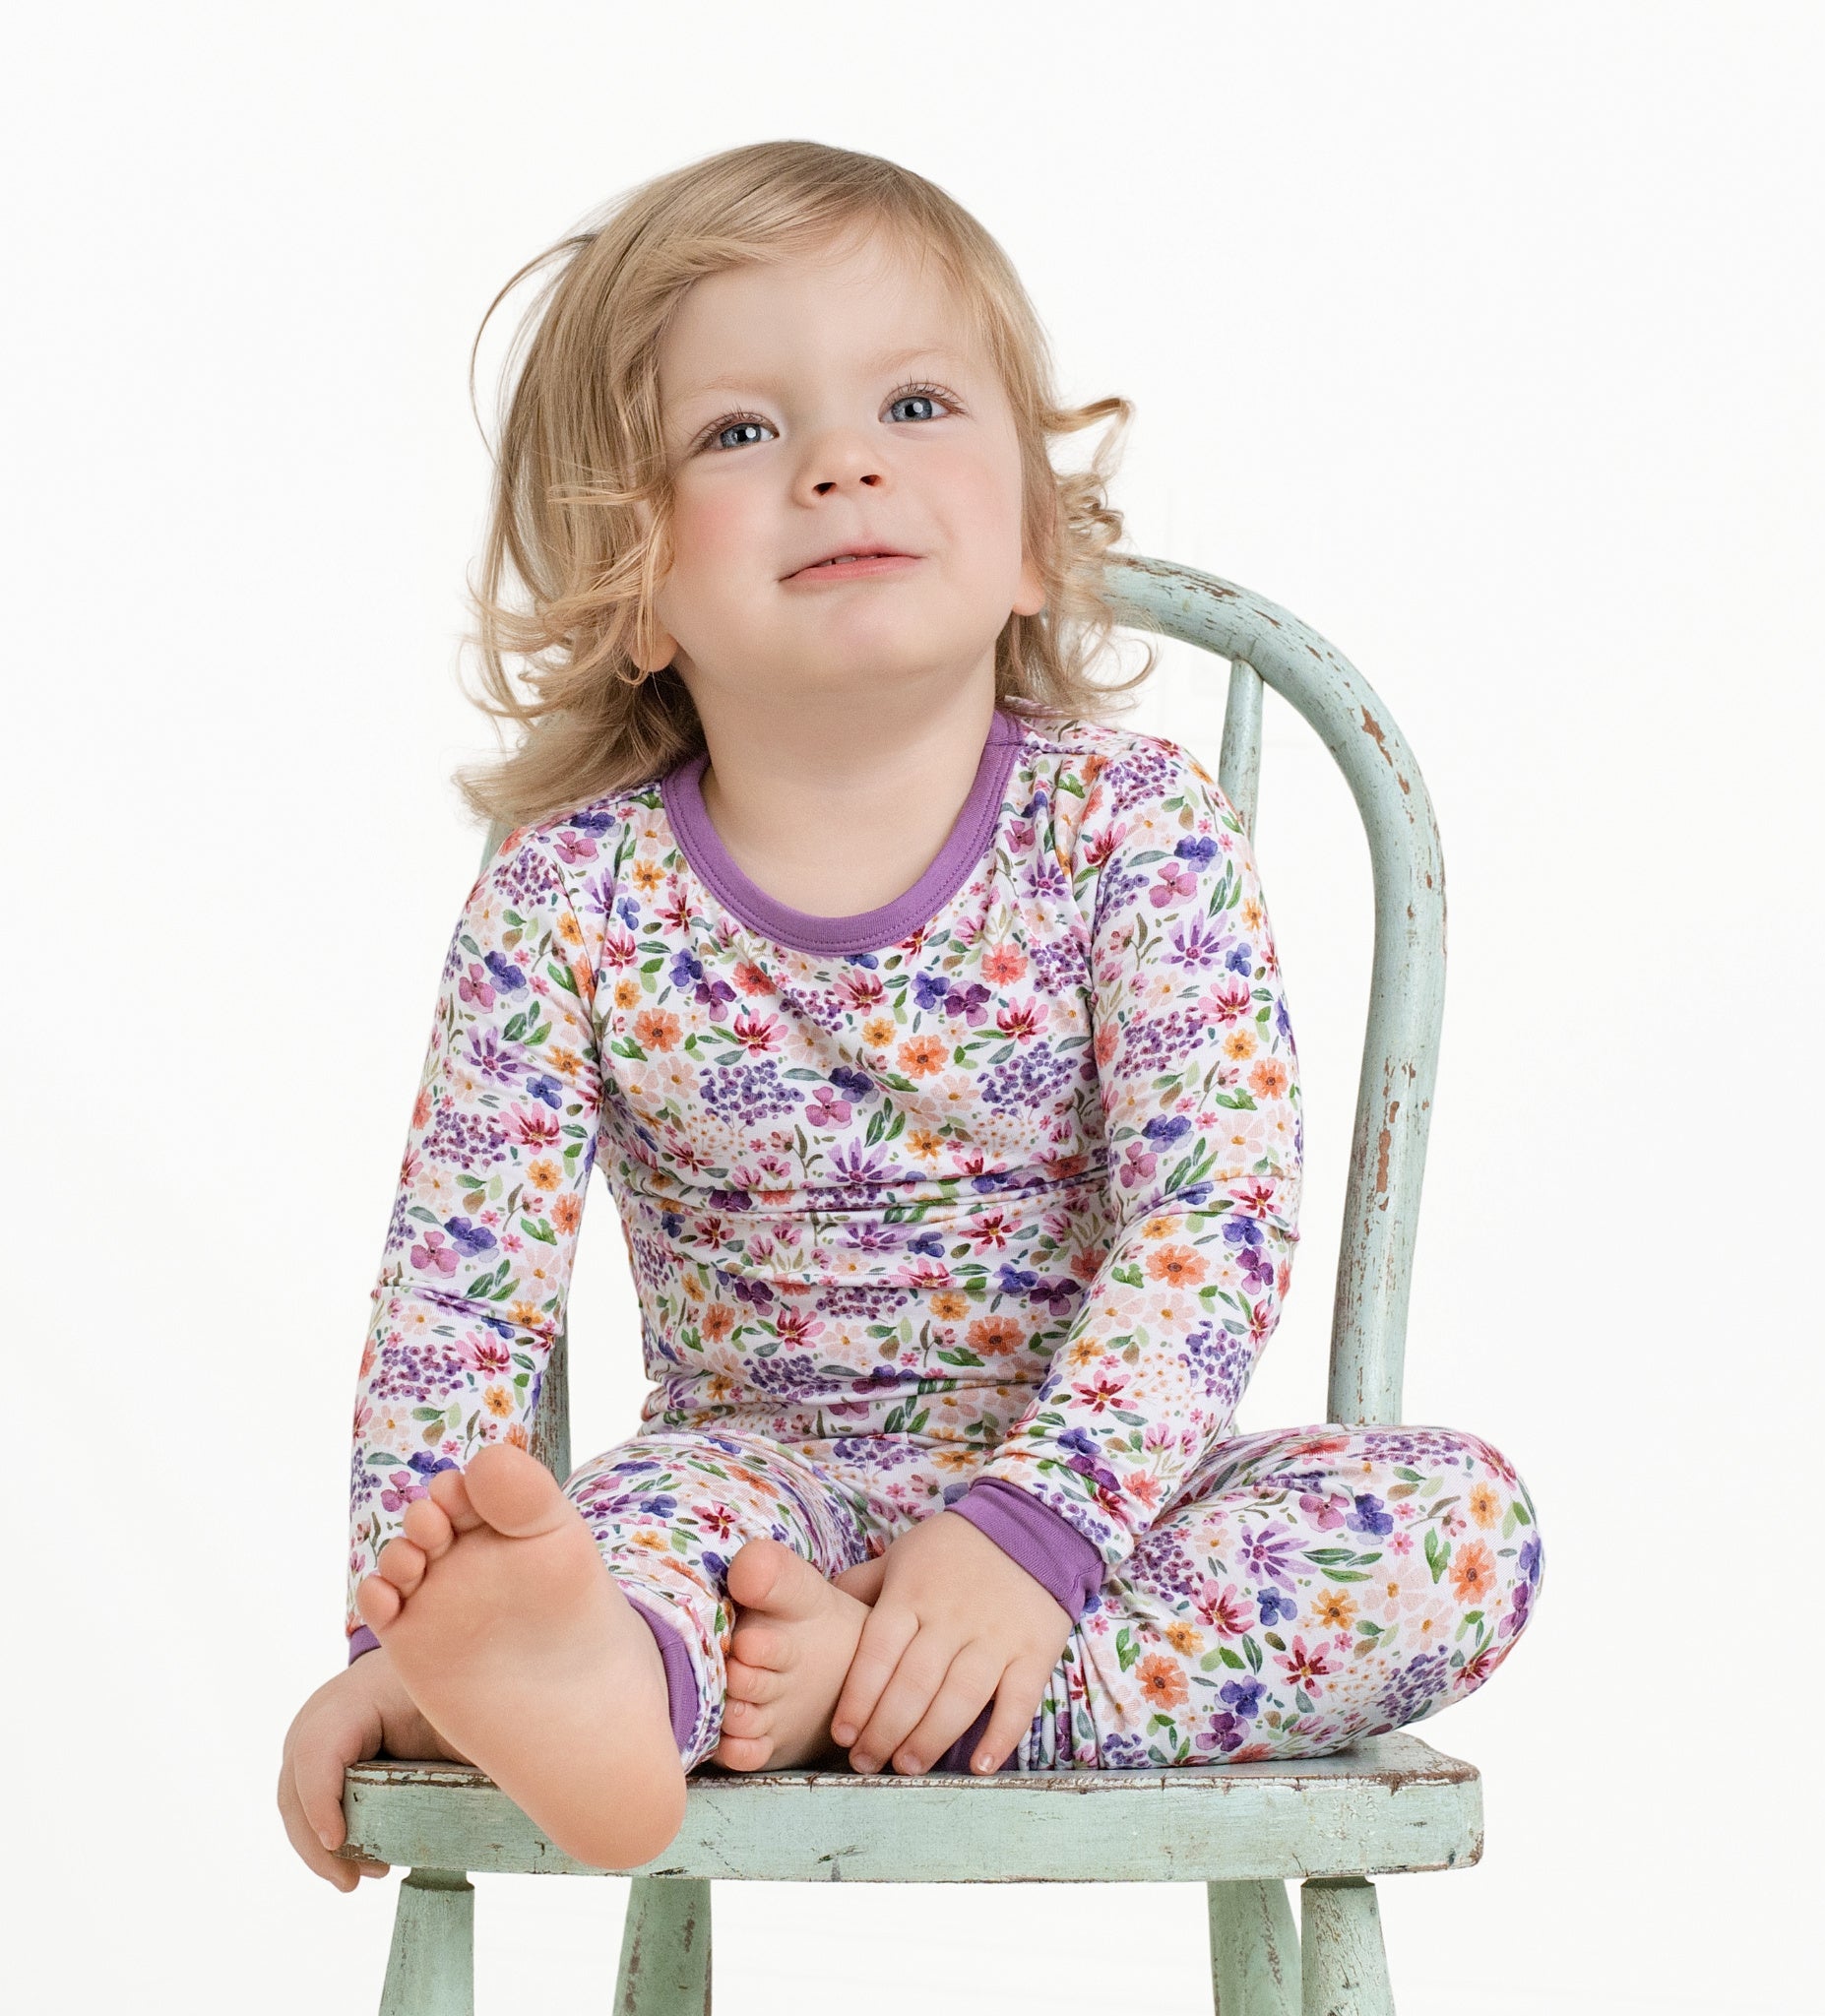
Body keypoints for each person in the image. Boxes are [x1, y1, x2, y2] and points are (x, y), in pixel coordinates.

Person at [277, 140, 1544, 1887]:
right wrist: (398, 1640)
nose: (842, 460)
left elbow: (1213, 1215)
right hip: (752, 1495)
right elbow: (456, 1304)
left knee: (1452, 1529)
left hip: (1106, 1501)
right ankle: (590, 1684)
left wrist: (1030, 1536)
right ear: (631, 582)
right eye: (739, 432)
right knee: (607, 1548)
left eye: (922, 403)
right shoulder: (569, 899)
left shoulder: (1135, 830)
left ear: (1036, 536)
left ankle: (831, 1693)